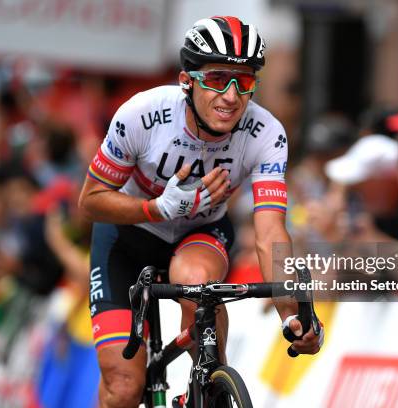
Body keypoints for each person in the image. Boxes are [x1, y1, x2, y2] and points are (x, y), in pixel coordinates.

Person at [78, 16, 323, 408]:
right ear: (186, 80)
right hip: (126, 236)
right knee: (123, 388)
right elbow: (90, 201)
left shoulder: (266, 133)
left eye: (243, 82)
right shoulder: (141, 115)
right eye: (216, 79)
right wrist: (155, 208)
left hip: (200, 233)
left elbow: (271, 233)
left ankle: (210, 384)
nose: (230, 96)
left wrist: (290, 315)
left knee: (195, 283)